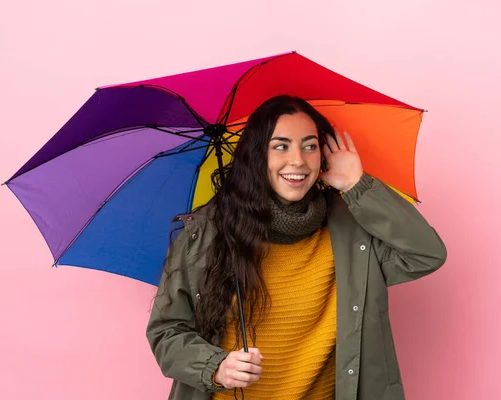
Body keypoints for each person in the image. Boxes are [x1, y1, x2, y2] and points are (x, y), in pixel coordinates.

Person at [146, 95, 447, 400]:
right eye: (280, 146)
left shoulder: (350, 227)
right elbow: (166, 331)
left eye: (310, 145)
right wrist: (215, 367)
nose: (298, 160)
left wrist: (358, 185)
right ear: (256, 155)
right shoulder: (208, 232)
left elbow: (425, 254)